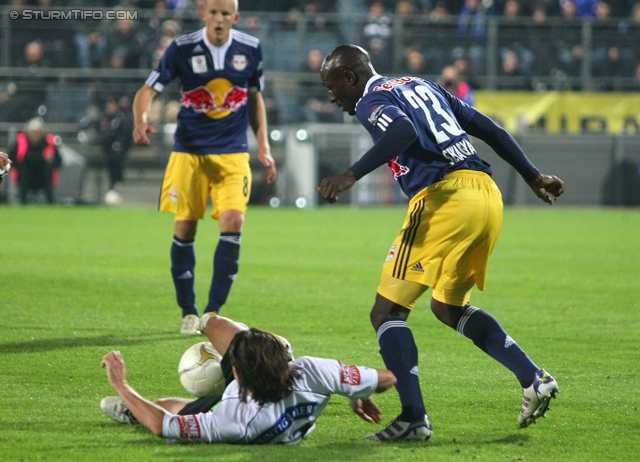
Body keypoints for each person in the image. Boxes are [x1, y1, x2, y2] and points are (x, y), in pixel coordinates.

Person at [316, 45, 564, 441]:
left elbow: (402, 131)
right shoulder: (422, 85)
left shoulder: (370, 99)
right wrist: (533, 176)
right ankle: (532, 377)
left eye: (331, 86)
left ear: (350, 78)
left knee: (386, 312)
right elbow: (490, 129)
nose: (331, 96)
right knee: (448, 306)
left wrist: (351, 174)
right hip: (486, 195)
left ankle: (414, 418)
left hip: (444, 197)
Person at [132, 0, 277, 334]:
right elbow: (148, 89)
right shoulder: (181, 48)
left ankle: (212, 312)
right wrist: (140, 119)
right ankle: (188, 311)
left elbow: (255, 98)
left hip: (232, 152)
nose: (219, 19)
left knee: (234, 220)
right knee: (185, 227)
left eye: (226, 14)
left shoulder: (251, 48)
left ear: (235, 18)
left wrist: (264, 146)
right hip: (190, 153)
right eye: (213, 12)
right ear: (203, 15)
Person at [100, 313, 397, 444]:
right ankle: (211, 326)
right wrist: (356, 391)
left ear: (235, 373)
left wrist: (121, 385)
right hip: (266, 393)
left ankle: (130, 410)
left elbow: (161, 425)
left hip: (239, 404)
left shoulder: (232, 420)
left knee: (163, 406)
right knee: (215, 324)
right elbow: (388, 378)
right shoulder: (310, 371)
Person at [8, 117, 62, 205]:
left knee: (47, 170)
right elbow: (11, 159)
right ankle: (22, 201)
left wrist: (50, 165)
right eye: (33, 132)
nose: (35, 135)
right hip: (25, 175)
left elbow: (58, 161)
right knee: (23, 171)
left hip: (43, 175)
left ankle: (50, 202)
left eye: (37, 132)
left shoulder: (49, 142)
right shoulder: (20, 141)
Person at [98, 97, 134, 204]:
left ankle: (117, 188)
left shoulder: (122, 119)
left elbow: (126, 135)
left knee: (118, 169)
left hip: (119, 152)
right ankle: (112, 189)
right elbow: (102, 134)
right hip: (107, 151)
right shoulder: (104, 118)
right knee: (110, 170)